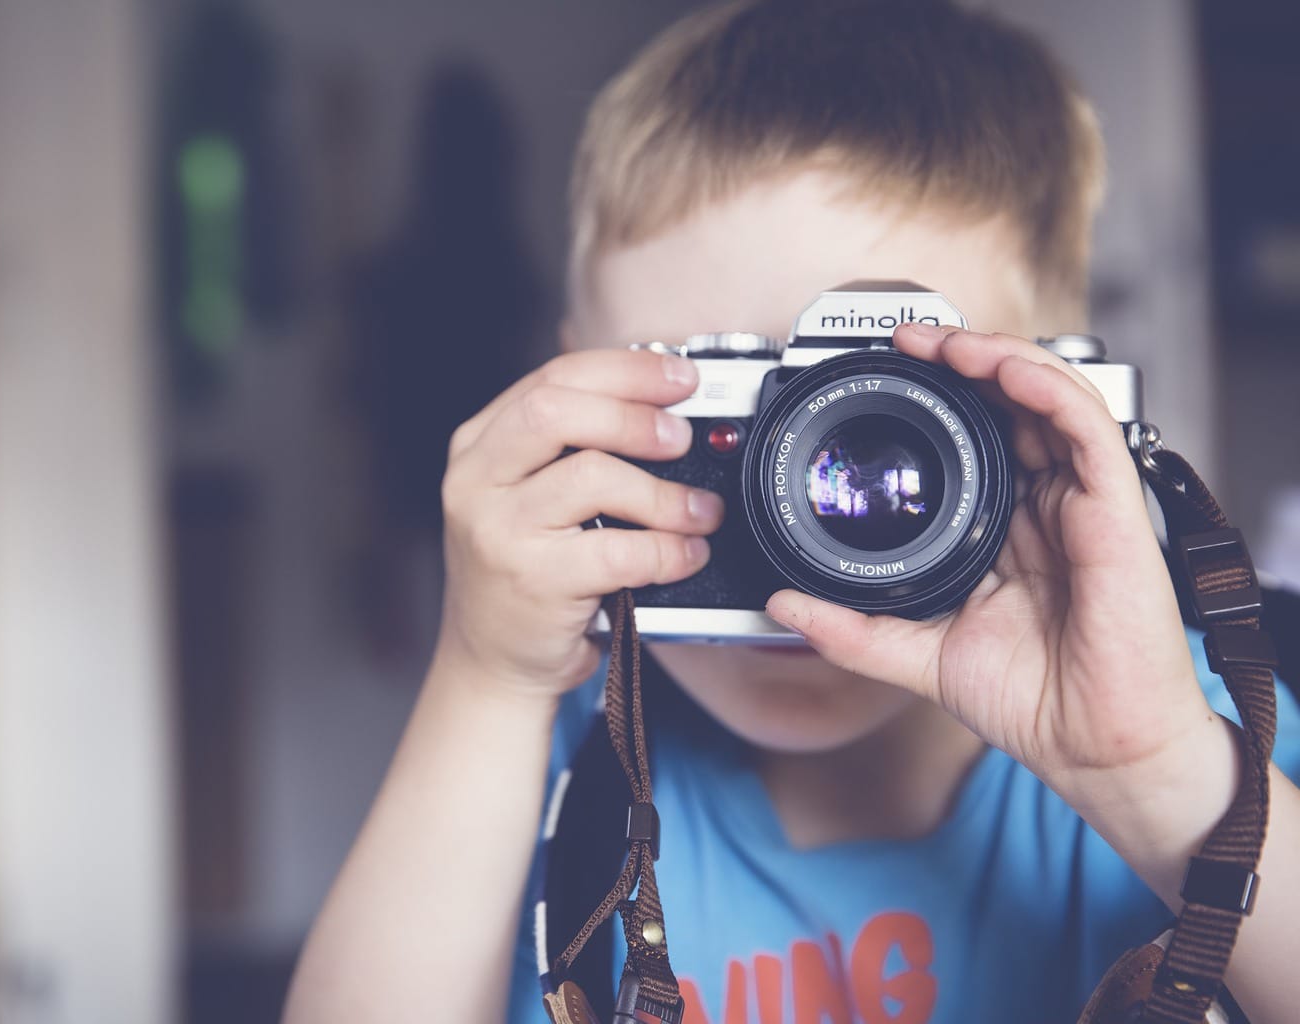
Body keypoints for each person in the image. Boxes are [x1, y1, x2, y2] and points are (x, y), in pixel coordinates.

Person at [281, 2, 1300, 1022]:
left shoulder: (1184, 730)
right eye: (727, 409)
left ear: (1051, 410)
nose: (800, 528)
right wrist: (487, 673)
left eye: (886, 418)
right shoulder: (549, 773)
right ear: (573, 392)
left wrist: (1161, 783)